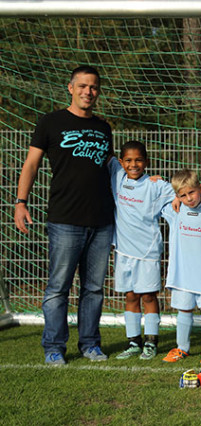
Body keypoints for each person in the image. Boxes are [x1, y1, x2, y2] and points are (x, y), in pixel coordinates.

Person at [14, 66, 114, 365]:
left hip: (102, 220)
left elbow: (113, 169)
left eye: (94, 87)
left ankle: (90, 344)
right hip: (65, 219)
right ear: (70, 87)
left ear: (98, 91)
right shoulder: (51, 122)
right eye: (82, 86)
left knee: (94, 289)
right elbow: (31, 165)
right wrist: (21, 202)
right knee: (58, 288)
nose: (88, 92)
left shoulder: (103, 127)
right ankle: (54, 347)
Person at [108, 141, 175, 360]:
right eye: (128, 160)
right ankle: (133, 341)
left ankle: (151, 341)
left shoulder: (155, 186)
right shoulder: (116, 175)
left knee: (148, 296)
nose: (133, 164)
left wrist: (165, 183)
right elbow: (104, 153)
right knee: (130, 296)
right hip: (123, 252)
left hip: (147, 253)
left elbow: (182, 190)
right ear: (121, 163)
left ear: (146, 162)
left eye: (138, 160)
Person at [160, 169, 201, 362]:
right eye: (183, 195)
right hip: (183, 274)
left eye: (192, 193)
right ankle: (182, 348)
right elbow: (155, 194)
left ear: (200, 189)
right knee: (184, 310)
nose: (188, 198)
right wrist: (166, 190)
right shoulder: (175, 209)